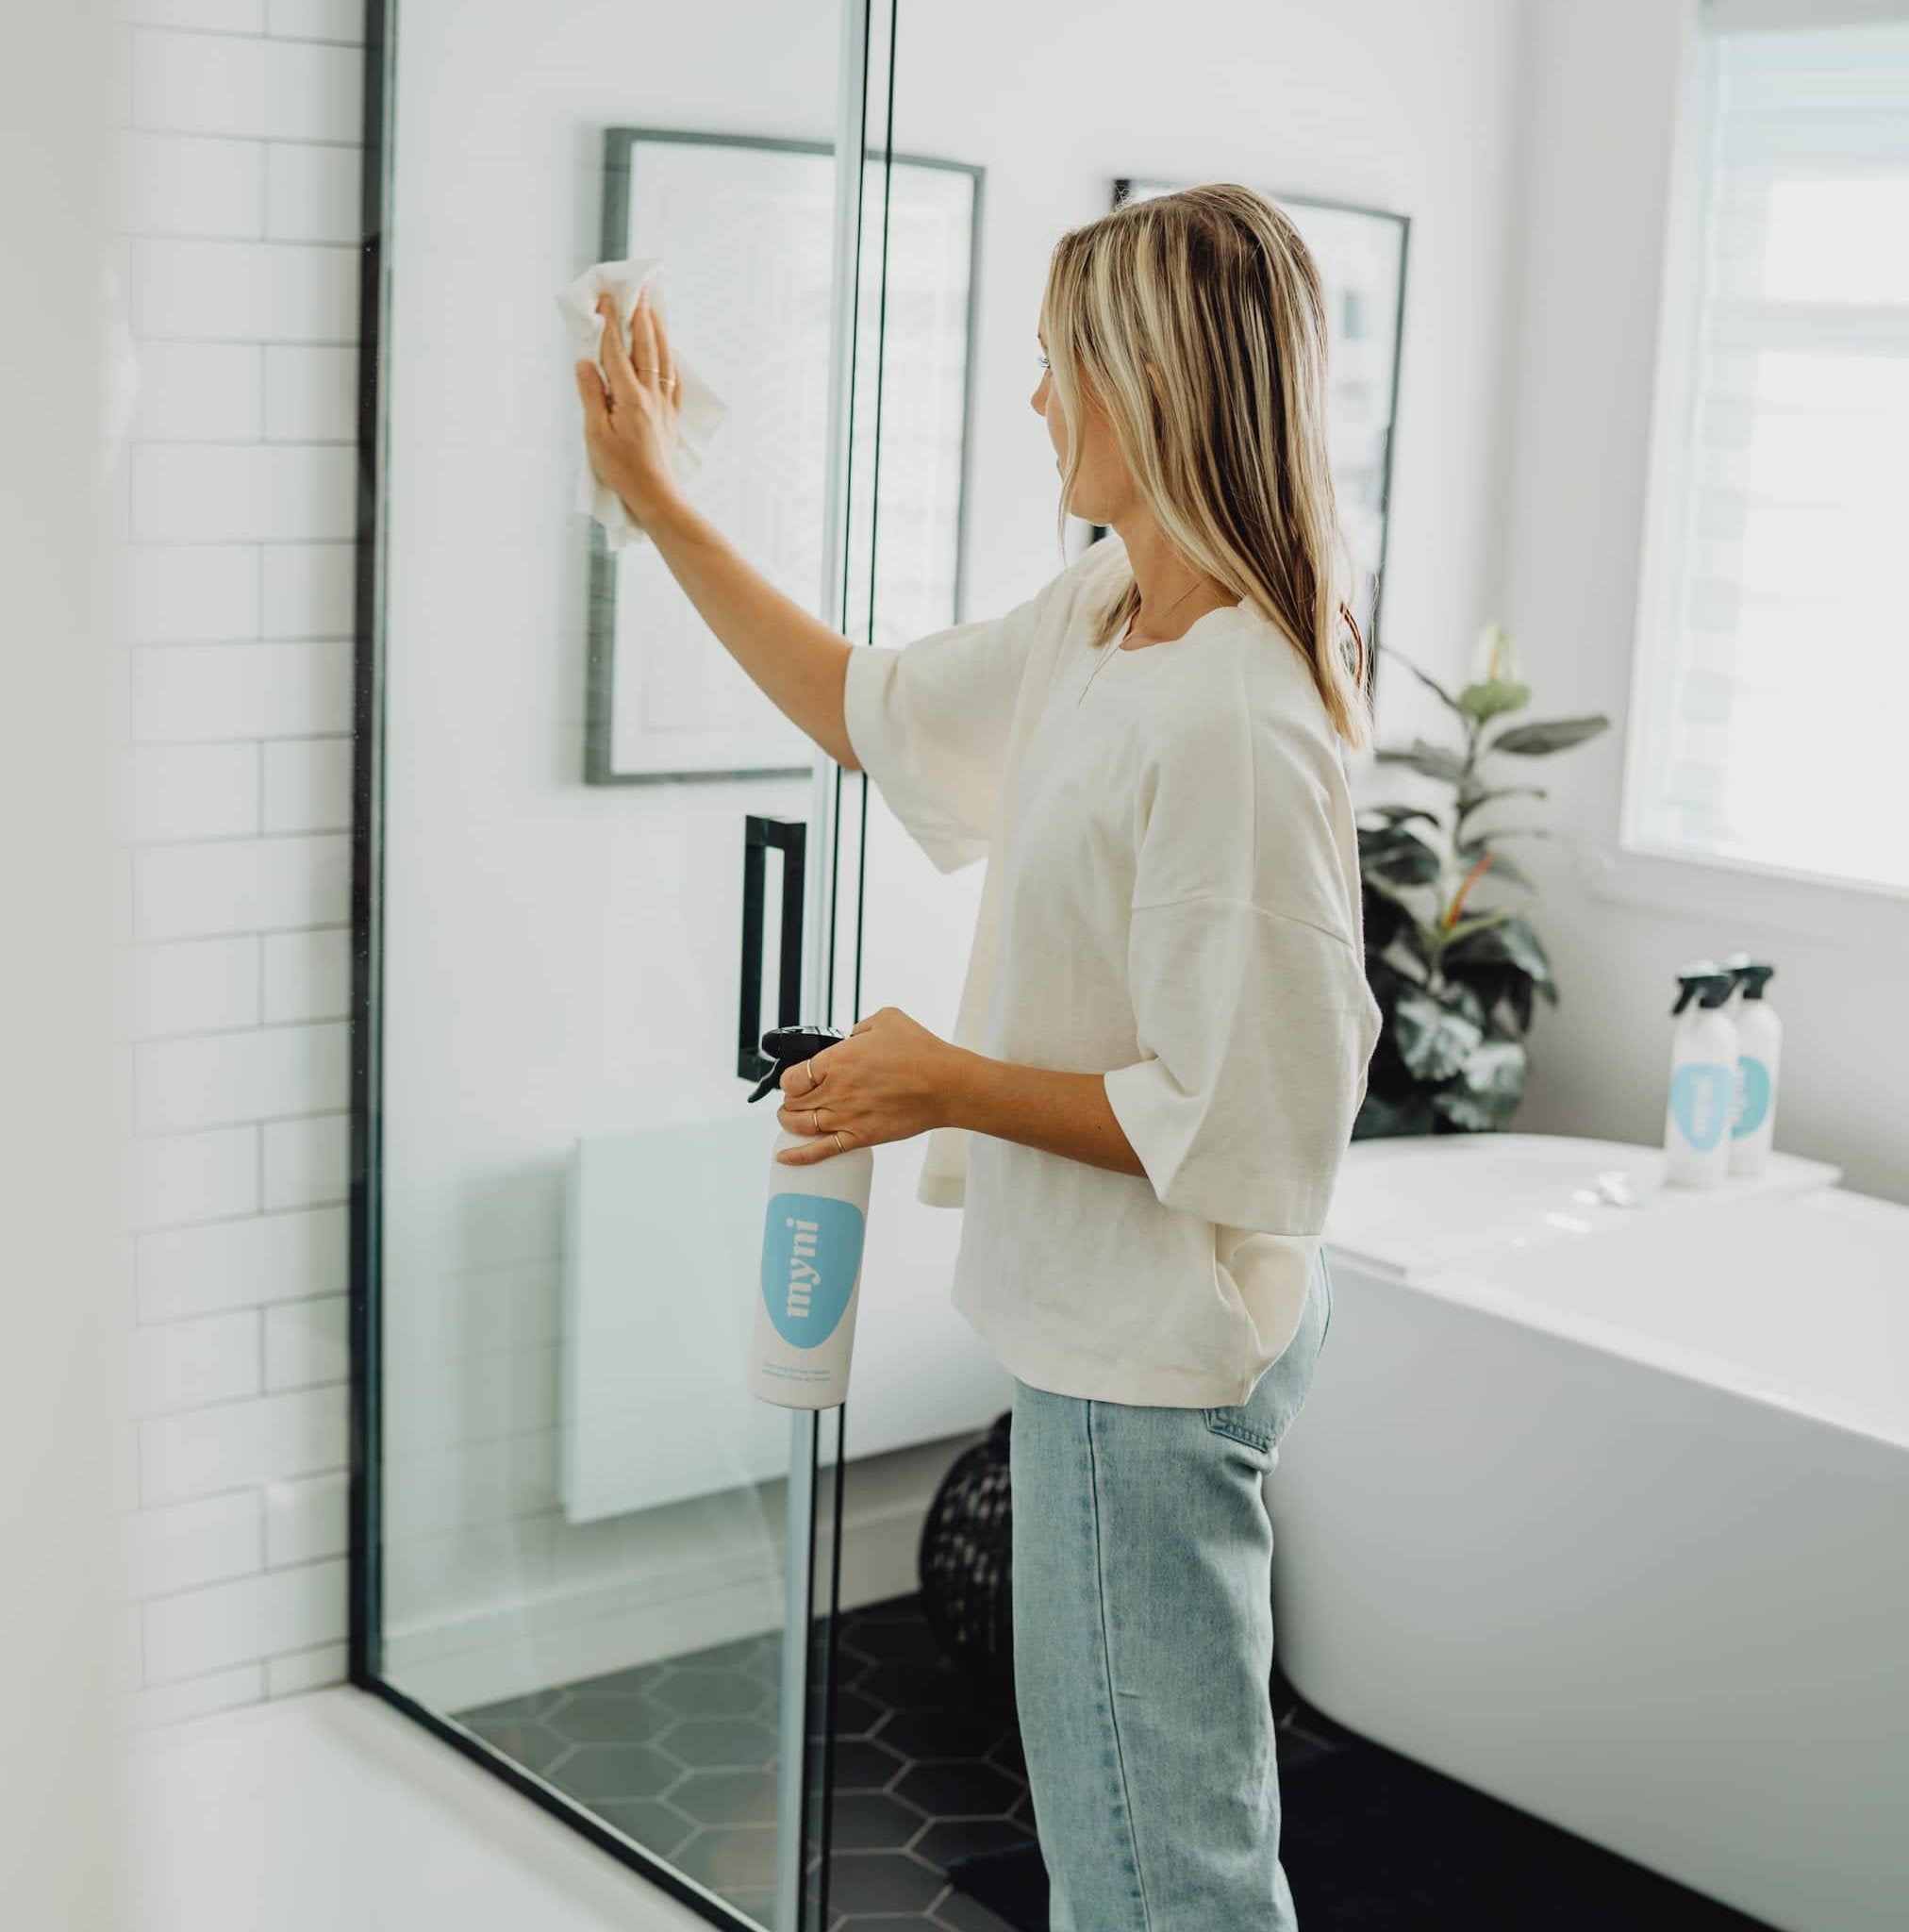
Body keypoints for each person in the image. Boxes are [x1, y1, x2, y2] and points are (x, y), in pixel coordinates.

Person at [574, 180, 1382, 1932]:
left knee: (1162, 1883)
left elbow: (1243, 1115)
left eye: (1056, 364)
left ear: (1149, 383)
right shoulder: (1107, 618)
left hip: (1152, 1363)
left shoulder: (1238, 710)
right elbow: (869, 703)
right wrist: (661, 503)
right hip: (1101, 1334)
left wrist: (934, 1077)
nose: (1033, 403)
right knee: (1137, 1860)